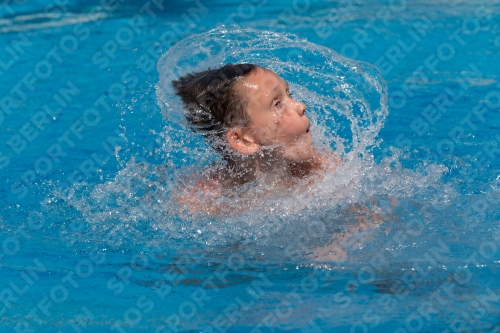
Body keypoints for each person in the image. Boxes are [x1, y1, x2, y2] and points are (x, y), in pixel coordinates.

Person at [172, 63, 341, 215]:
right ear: (242, 140)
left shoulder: (324, 172)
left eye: (290, 94)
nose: (300, 105)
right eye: (277, 104)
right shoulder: (200, 199)